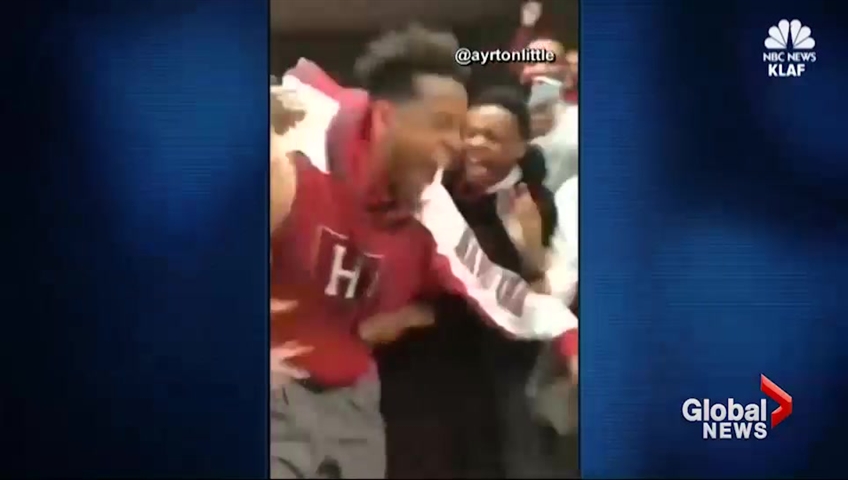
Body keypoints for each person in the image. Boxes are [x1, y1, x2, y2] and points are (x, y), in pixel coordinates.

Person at [270, 24, 579, 479]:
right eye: (443, 125)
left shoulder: (431, 207)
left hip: (353, 398)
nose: (457, 145)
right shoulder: (290, 156)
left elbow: (503, 294)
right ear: (386, 118)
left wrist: (573, 342)